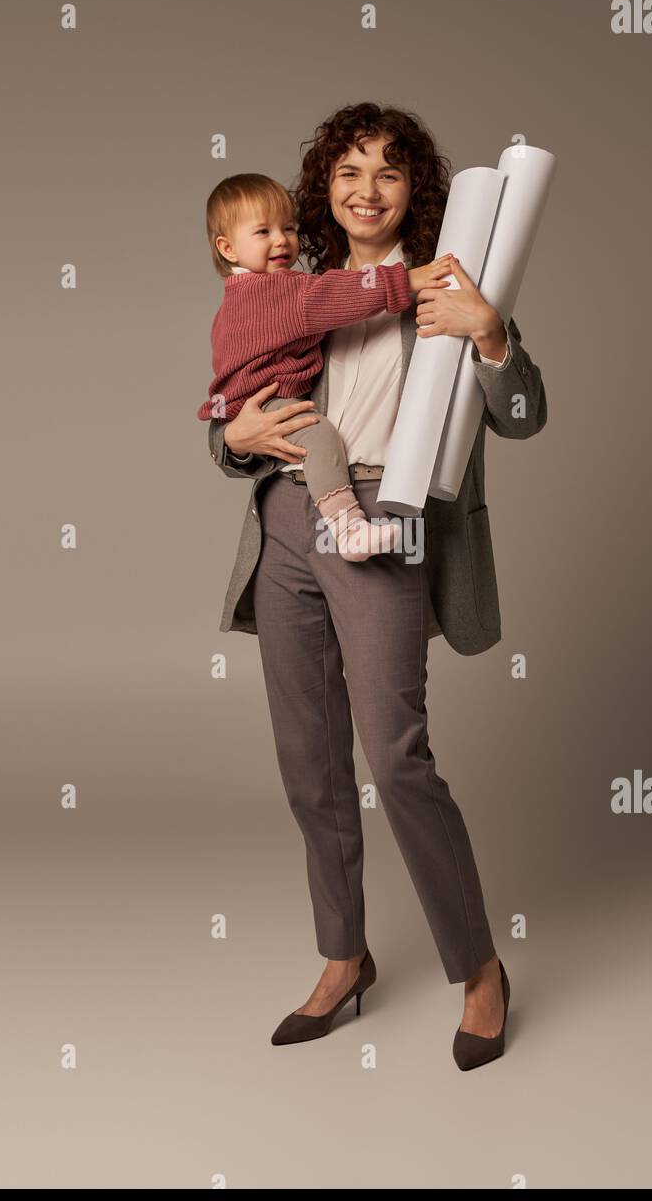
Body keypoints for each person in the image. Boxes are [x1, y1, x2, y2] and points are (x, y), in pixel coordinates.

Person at [206, 103, 548, 1070]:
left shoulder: (451, 285)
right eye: (349, 171)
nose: (366, 189)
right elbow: (237, 387)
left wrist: (490, 336)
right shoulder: (297, 285)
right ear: (325, 188)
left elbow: (523, 415)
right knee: (308, 760)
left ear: (415, 193)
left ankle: (479, 968)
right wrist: (230, 441)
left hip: (385, 523)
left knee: (395, 758)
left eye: (389, 173)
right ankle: (343, 955)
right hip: (286, 519)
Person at [199, 172, 457, 558]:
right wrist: (411, 279)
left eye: (288, 228)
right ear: (228, 248)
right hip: (268, 413)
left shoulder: (234, 299)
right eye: (263, 232)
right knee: (318, 434)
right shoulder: (283, 290)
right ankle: (350, 529)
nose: (281, 240)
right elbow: (341, 293)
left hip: (247, 408)